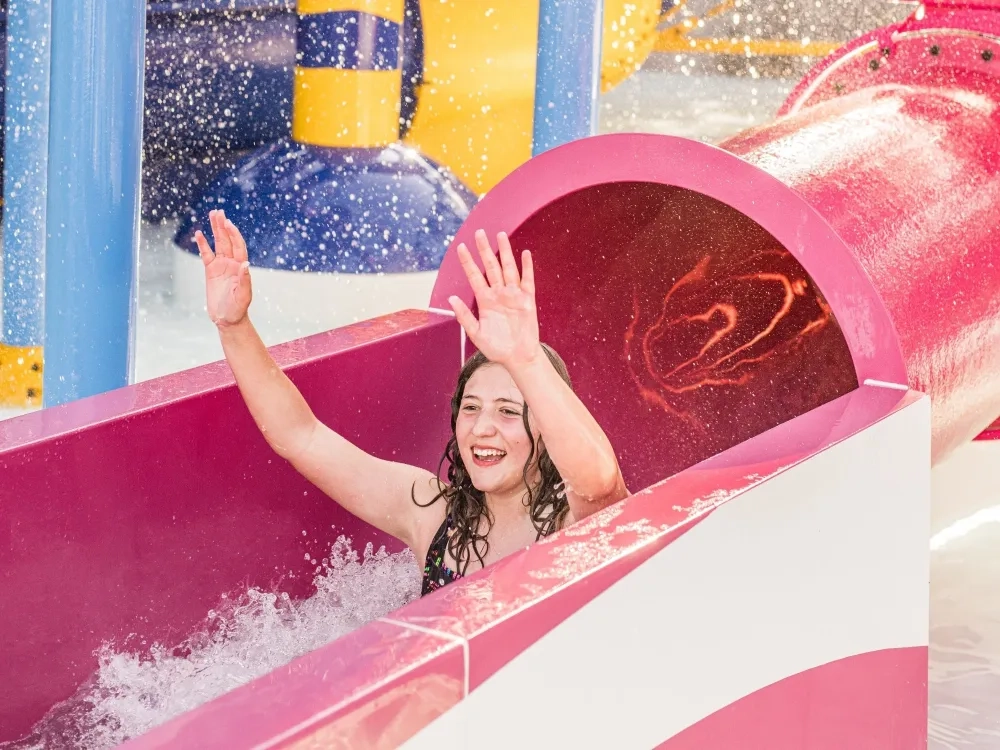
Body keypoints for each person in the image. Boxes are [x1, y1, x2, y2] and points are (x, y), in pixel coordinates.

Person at [195, 209, 629, 596]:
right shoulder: (430, 511)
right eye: (472, 407)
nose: (481, 428)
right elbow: (301, 436)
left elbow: (601, 481)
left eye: (508, 411)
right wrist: (234, 326)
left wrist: (527, 360)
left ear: (546, 427)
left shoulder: (573, 525)